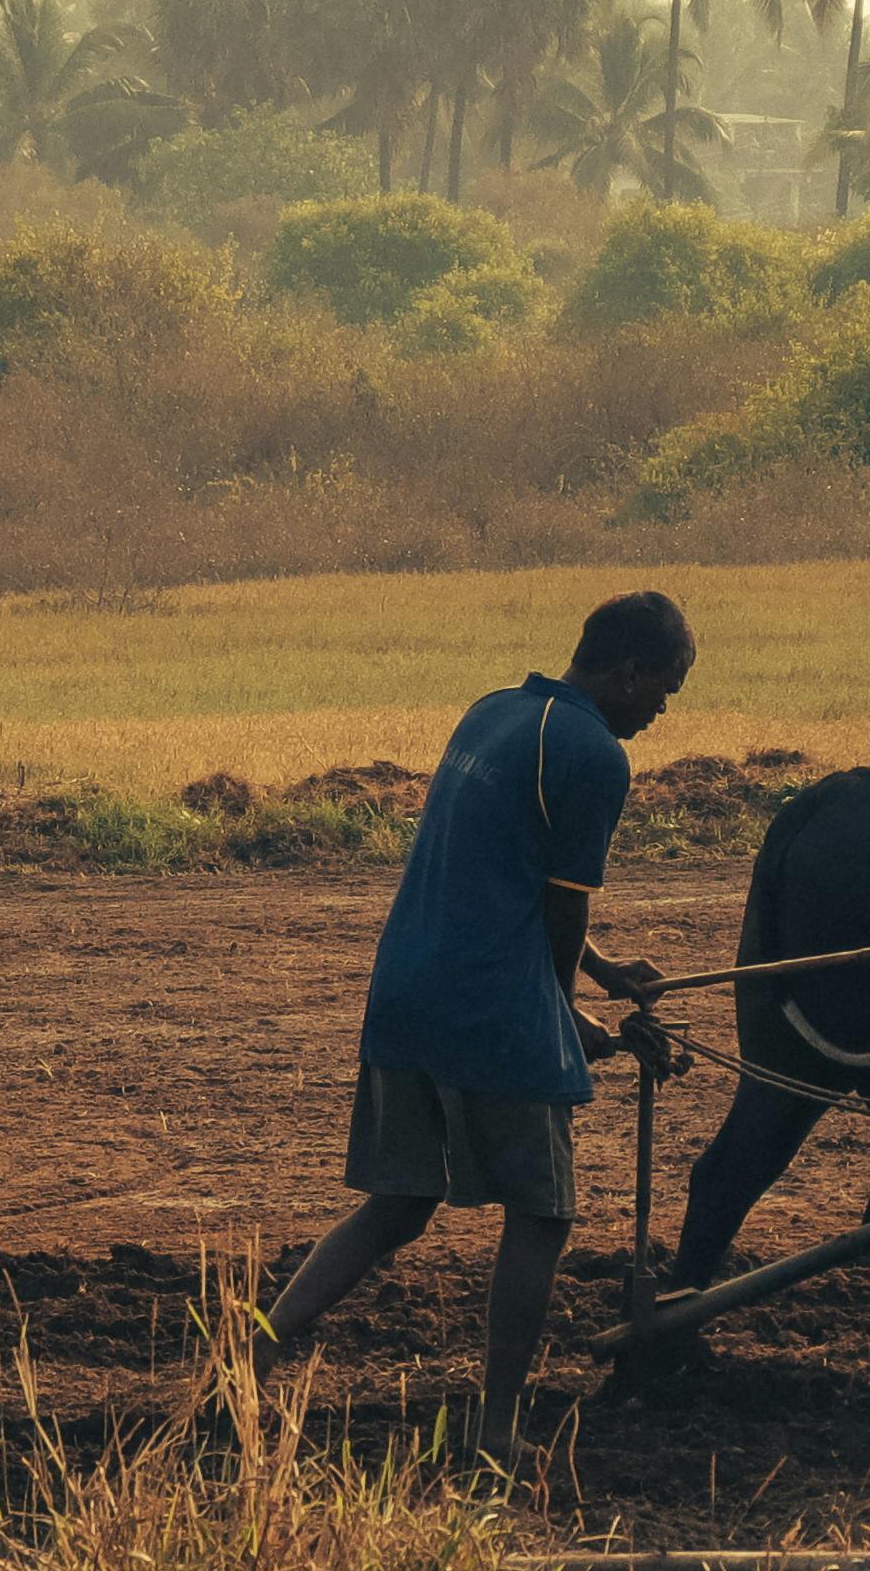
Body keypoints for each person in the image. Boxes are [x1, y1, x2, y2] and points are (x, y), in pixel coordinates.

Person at [255, 589, 692, 1424]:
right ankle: (497, 1430)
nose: (662, 711)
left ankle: (256, 1347)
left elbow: (510, 870)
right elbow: (563, 909)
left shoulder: (495, 712)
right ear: (629, 674)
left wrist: (600, 978)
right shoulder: (598, 756)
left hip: (407, 988)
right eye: (665, 690)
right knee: (542, 1215)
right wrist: (569, 1018)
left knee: (397, 1204)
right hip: (490, 1006)